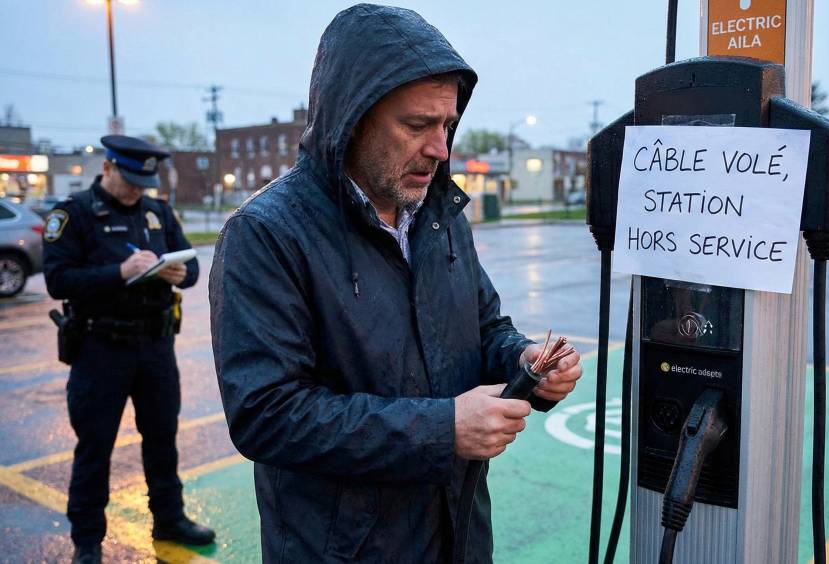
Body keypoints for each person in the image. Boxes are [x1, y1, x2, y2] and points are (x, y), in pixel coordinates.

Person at [209, 4, 582, 563]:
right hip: (344, 550)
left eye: (447, 125)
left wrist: (524, 363)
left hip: (456, 533)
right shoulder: (266, 234)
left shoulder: (441, 216)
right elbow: (266, 414)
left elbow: (483, 328)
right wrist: (441, 431)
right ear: (351, 118)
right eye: (417, 126)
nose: (440, 149)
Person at [43, 135, 215, 564]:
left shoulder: (156, 212)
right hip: (100, 348)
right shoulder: (75, 214)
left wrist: (179, 273)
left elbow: (193, 267)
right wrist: (119, 271)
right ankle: (87, 541)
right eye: (130, 180)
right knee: (95, 445)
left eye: (144, 181)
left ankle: (169, 518)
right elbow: (58, 280)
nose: (138, 190)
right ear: (108, 168)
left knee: (162, 439)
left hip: (155, 345)